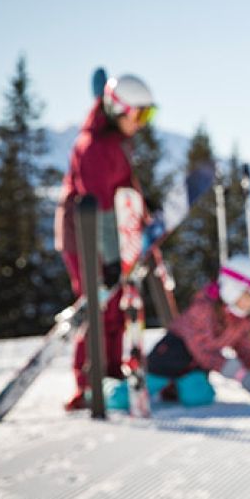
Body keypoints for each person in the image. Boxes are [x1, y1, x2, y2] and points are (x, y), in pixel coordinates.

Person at [55, 74, 157, 411]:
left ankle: (111, 376)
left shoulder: (114, 142)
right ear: (118, 109)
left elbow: (123, 190)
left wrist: (142, 212)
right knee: (96, 307)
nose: (142, 124)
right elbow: (96, 206)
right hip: (83, 237)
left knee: (114, 308)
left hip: (112, 235)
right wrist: (111, 258)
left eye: (148, 116)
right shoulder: (94, 147)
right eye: (139, 115)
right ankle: (88, 384)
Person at [140, 254, 250, 407]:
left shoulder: (240, 320)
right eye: (248, 297)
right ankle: (125, 391)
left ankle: (171, 390)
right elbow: (203, 350)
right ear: (233, 289)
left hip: (194, 368)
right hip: (168, 358)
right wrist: (241, 375)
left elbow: (245, 350)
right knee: (131, 395)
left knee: (200, 397)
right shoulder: (203, 309)